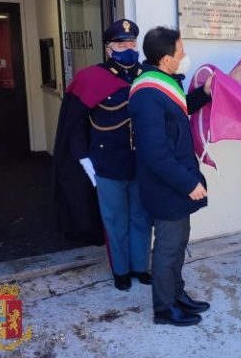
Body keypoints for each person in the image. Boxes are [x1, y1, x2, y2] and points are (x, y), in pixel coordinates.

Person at [53, 19, 153, 292]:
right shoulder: (90, 77)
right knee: (115, 219)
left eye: (132, 43)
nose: (128, 48)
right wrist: (84, 160)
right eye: (122, 44)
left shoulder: (148, 75)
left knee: (142, 218)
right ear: (109, 49)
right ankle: (121, 270)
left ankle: (140, 267)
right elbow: (73, 124)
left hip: (142, 163)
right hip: (107, 164)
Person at [129, 26, 213, 326]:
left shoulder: (164, 83)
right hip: (168, 186)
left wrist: (203, 95)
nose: (185, 56)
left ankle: (177, 294)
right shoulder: (148, 94)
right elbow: (155, 154)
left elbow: (178, 111)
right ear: (166, 59)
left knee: (178, 244)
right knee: (167, 249)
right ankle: (164, 309)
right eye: (181, 53)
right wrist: (188, 183)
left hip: (176, 182)